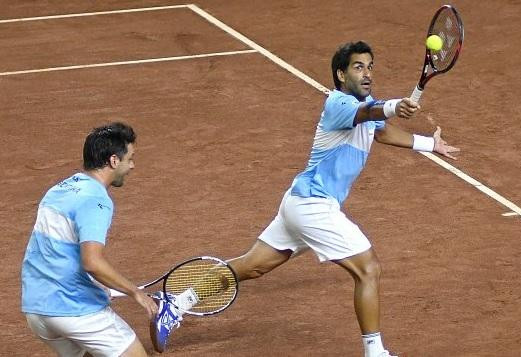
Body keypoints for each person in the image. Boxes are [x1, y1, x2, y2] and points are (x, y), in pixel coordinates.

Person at [151, 41, 460, 356]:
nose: (367, 73)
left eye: (370, 67)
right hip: (314, 205)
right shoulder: (339, 104)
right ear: (340, 75)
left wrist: (428, 144)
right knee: (368, 269)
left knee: (250, 267)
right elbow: (370, 113)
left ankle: (175, 304)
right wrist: (395, 106)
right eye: (358, 67)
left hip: (299, 204)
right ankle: (375, 352)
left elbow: (381, 131)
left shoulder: (366, 105)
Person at [21, 122, 158, 357]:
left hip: (37, 310)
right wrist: (135, 292)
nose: (132, 166)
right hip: (73, 311)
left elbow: (55, 252)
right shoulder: (96, 200)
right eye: (130, 159)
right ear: (114, 161)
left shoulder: (59, 189)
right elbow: (91, 262)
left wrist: (97, 286)